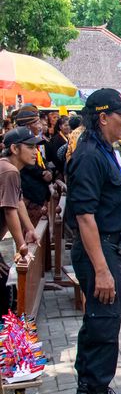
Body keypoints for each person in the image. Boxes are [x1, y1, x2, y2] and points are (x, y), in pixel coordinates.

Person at [67, 88, 121, 394]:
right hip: (99, 252)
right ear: (102, 117)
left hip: (112, 247)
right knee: (103, 325)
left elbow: (113, 209)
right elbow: (85, 217)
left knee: (100, 321)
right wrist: (102, 270)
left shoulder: (105, 150)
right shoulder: (88, 156)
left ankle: (89, 390)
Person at [0, 127, 41, 314]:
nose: (35, 152)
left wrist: (30, 228)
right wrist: (21, 245)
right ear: (15, 149)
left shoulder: (9, 168)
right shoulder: (9, 171)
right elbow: (10, 210)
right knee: (4, 292)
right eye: (30, 147)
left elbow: (18, 201)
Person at [16, 105, 54, 225]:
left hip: (38, 196)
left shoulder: (35, 140)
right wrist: (42, 173)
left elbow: (42, 160)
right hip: (29, 196)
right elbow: (29, 164)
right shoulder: (18, 140)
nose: (40, 125)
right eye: (36, 122)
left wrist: (47, 170)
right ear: (27, 125)